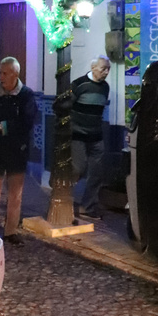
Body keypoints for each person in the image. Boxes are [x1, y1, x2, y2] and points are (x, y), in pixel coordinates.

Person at [0, 56, 36, 243]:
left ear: (15, 74)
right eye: (0, 72)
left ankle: (11, 231)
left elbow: (27, 122)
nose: (1, 77)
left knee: (14, 195)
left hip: (17, 151)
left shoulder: (26, 95)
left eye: (5, 73)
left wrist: (1, 127)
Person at [71, 55, 111, 219]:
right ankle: (64, 196)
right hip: (78, 134)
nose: (106, 72)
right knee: (78, 168)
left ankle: (87, 206)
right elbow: (67, 106)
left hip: (96, 135)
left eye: (108, 69)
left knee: (97, 172)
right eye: (103, 69)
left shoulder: (105, 88)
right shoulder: (79, 85)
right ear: (93, 68)